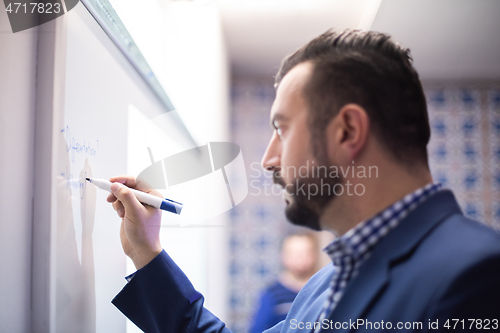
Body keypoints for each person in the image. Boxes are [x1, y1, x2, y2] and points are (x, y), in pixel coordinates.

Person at [107, 30, 500, 332]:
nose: (268, 159)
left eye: (282, 128)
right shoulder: (323, 284)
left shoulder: (478, 277)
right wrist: (147, 252)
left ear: (347, 131)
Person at [249, 233, 319, 333]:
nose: (300, 258)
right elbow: (257, 329)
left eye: (306, 253)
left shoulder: (323, 290)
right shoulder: (272, 293)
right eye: (294, 254)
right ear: (283, 255)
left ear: (315, 255)